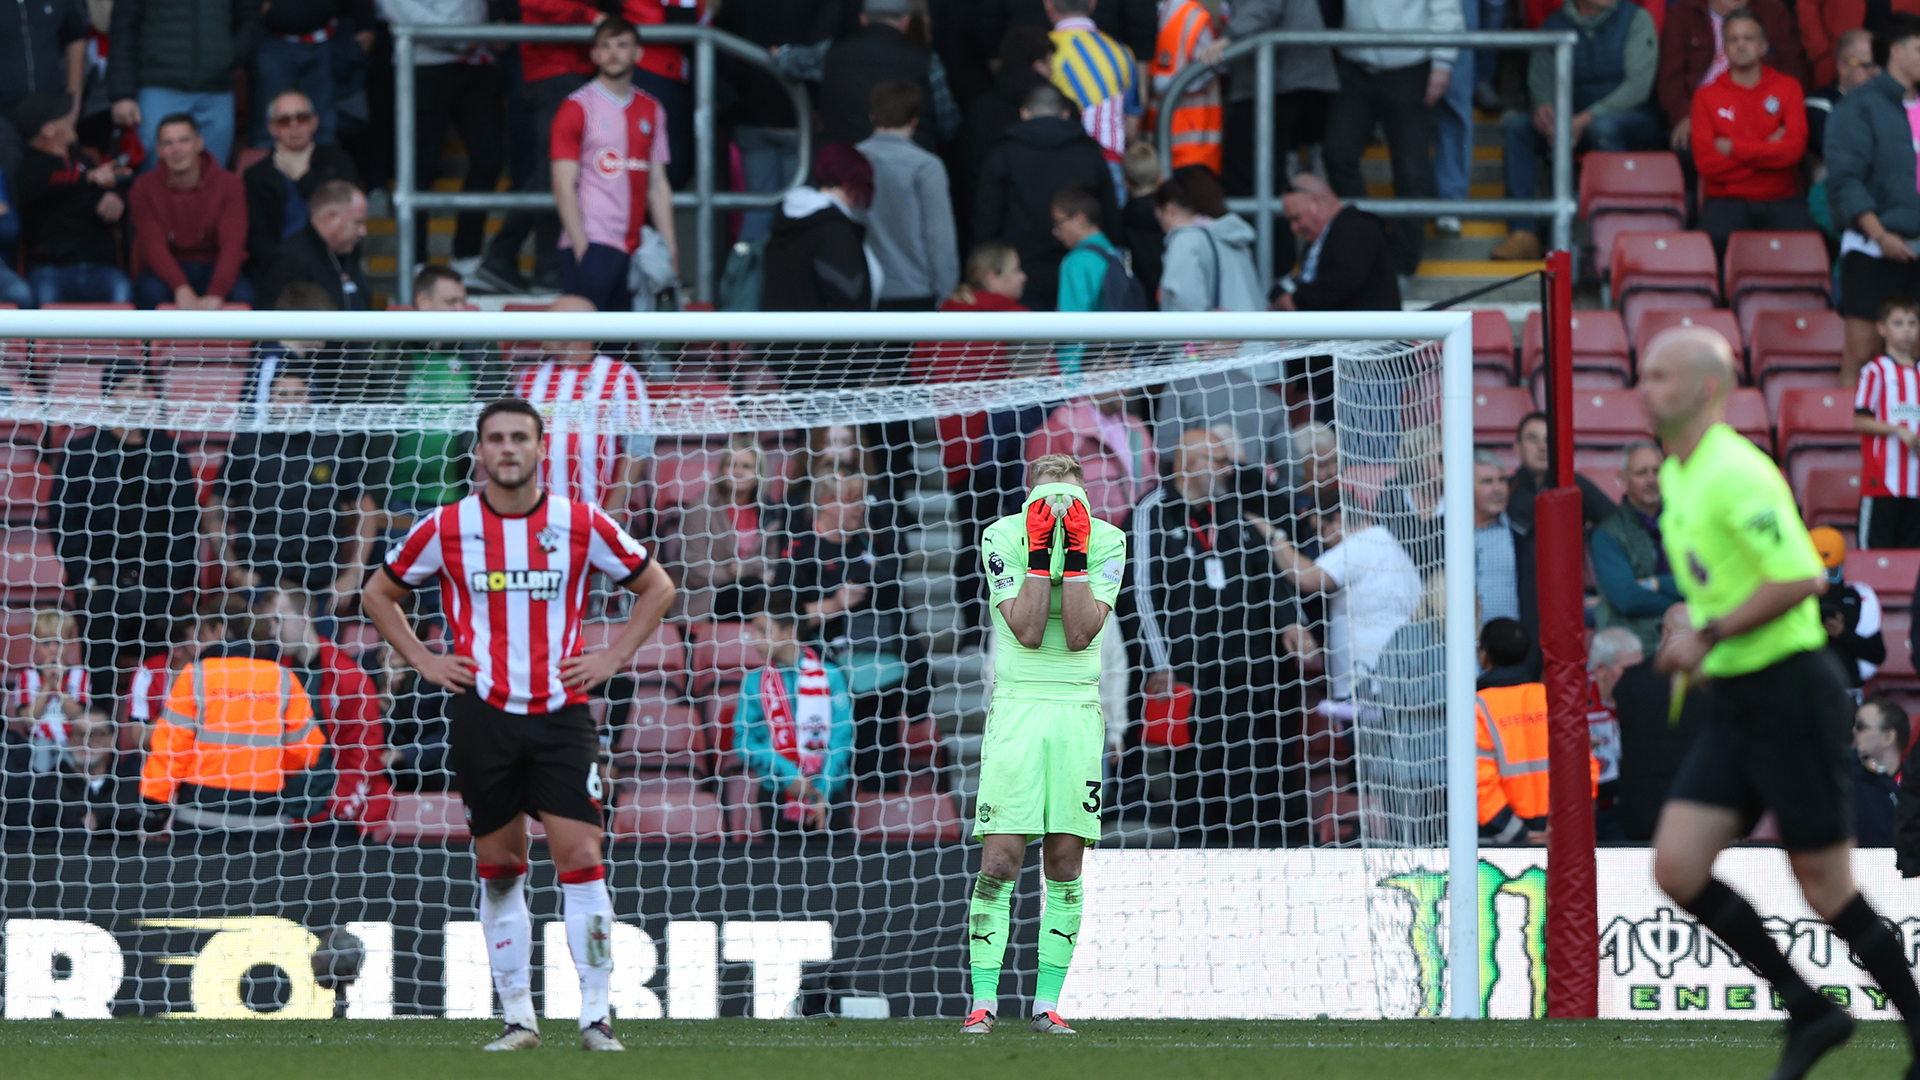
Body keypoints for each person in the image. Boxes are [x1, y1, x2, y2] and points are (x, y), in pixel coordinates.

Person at [1644, 325, 1920, 1080]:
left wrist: (1709, 635)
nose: (1645, 388)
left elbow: (1803, 578)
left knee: (1824, 885)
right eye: (1643, 375)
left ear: (1705, 388)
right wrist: (1704, 645)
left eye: (1661, 376)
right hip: (1739, 695)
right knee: (1677, 866)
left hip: (1794, 690)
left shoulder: (1738, 471)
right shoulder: (1676, 475)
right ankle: (1810, 1008)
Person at [363, 398, 676, 1052]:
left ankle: (595, 1018)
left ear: (540, 448)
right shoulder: (445, 525)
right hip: (483, 715)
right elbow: (377, 593)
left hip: (561, 714)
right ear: (479, 453)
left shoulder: (581, 522)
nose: (507, 449)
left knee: (583, 857)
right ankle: (519, 1021)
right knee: (500, 867)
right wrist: (421, 658)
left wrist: (615, 655)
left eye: (519, 438)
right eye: (495, 439)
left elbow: (659, 586)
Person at [963, 453, 1127, 1036]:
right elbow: (1029, 632)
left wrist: (1075, 554)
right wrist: (1039, 551)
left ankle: (1047, 1004)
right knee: (1001, 859)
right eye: (1048, 501)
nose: (1060, 511)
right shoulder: (1001, 536)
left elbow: (1081, 631)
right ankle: (983, 1004)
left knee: (1063, 862)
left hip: (1077, 712)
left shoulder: (1108, 540)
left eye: (1072, 502)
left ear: (1087, 501)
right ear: (1029, 500)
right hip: (1018, 709)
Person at [1128, 429, 1307, 843]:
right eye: (1219, 462)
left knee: (1257, 774)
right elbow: (1137, 594)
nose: (1229, 470)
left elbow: (1268, 574)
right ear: (1188, 466)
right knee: (1197, 779)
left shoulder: (1230, 509)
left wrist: (1290, 621)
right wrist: (1159, 662)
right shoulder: (1151, 511)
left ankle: (1261, 855)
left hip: (1249, 671)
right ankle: (1198, 860)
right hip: (1190, 673)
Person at [52, 363, 198, 700]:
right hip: (102, 579)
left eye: (142, 389)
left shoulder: (168, 451)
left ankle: (162, 725)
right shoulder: (81, 453)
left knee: (166, 657)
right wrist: (84, 574)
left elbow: (185, 520)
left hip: (159, 580)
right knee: (99, 651)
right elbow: (64, 520)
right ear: (109, 396)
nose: (138, 396)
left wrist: (174, 578)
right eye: (129, 388)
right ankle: (101, 725)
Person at [1490, 0, 1663, 262]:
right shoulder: (1554, 25)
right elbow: (1542, 80)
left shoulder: (1636, 19)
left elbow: (1638, 87)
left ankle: (1610, 235)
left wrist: (1588, 117)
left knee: (1603, 128)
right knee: (1518, 129)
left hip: (1628, 119)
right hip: (1570, 121)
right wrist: (1545, 110)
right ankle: (1523, 234)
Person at [210, 369, 378, 608]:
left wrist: (353, 575)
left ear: (309, 400)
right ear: (269, 401)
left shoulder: (331, 447)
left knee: (321, 646)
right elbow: (214, 510)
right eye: (282, 395)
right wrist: (233, 570)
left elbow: (367, 511)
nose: (290, 403)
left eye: (298, 394)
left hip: (320, 584)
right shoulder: (246, 447)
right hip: (259, 582)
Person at [139, 623, 325, 836]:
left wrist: (154, 807)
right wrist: (277, 771)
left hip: (199, 818)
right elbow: (306, 748)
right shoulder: (283, 678)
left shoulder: (196, 675)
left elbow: (170, 749)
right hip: (263, 816)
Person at [1322, 0, 1462, 274]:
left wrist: (1443, 64)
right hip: (1354, 65)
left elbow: (1446, 9)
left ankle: (1403, 265)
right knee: (1337, 152)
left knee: (1411, 170)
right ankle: (1368, 240)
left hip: (1410, 65)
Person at [552, 19, 676, 316]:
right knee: (583, 347)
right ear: (593, 54)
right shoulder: (576, 106)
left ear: (638, 53)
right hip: (593, 241)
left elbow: (658, 184)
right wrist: (582, 248)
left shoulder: (652, 108)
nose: (613, 53)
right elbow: (562, 185)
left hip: (635, 247)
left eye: (622, 45)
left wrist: (671, 249)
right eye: (605, 46)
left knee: (623, 350)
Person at [1827, 13, 1920, 387]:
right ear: (1896, 52)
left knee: (1914, 355)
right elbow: (1845, 181)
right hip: (1874, 248)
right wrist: (1881, 235)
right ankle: (1842, 443)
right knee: (1862, 351)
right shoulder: (1860, 106)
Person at [380, 0, 502, 282]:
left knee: (490, 157)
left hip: (476, 63)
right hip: (424, 65)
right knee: (420, 165)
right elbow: (401, 8)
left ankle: (467, 256)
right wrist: (463, 39)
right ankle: (416, 261)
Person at [255, 587, 392, 832]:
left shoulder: (348, 677)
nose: (273, 632)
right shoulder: (276, 677)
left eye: (279, 620)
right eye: (269, 624)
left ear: (304, 616)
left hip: (335, 817)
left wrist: (339, 808)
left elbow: (364, 751)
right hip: (287, 814)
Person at [1264, 494, 1422, 704]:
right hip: (1385, 676)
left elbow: (1306, 577)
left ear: (1337, 519)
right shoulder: (1384, 542)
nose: (1319, 539)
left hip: (1369, 683)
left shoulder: (1361, 545)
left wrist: (1274, 536)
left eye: (1320, 530)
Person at [973, 84, 1119, 310]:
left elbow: (986, 221)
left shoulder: (1003, 155)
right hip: (1083, 274)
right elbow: (1110, 217)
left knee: (1026, 345)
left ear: (1024, 114)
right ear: (1065, 115)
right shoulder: (1091, 155)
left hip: (1020, 277)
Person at [714, 0, 843, 245]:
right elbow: (825, 49)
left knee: (757, 212)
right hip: (800, 114)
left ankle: (747, 281)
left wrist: (740, 95)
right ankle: (790, 281)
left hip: (753, 113)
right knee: (798, 212)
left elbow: (723, 41)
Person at [1690, 10, 1816, 259]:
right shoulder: (1706, 96)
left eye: (1748, 38)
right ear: (1724, 48)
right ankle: (1724, 300)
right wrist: (1767, 151)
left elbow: (1793, 152)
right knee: (1710, 245)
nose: (1740, 45)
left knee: (1808, 247)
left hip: (1782, 198)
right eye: (1733, 40)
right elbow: (1707, 164)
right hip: (1726, 200)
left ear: (1763, 46)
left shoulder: (1788, 87)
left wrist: (1736, 149)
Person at [513, 295, 651, 513]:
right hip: (534, 512)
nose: (540, 328)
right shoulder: (529, 379)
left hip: (597, 512)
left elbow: (638, 446)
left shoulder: (620, 376)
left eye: (550, 321)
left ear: (575, 328)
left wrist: (614, 509)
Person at [733, 589, 856, 834]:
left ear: (789, 633)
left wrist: (822, 789)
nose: (756, 639)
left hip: (830, 795)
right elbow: (743, 740)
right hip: (777, 794)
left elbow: (842, 737)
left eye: (763, 631)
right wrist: (788, 775)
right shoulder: (754, 683)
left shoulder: (830, 675)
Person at [12, 93, 130, 307]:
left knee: (122, 290)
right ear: (48, 130)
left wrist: (114, 199)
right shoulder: (27, 167)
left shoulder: (81, 159)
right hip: (51, 270)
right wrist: (90, 178)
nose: (71, 118)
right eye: (64, 115)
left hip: (100, 267)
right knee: (45, 305)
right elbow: (47, 182)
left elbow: (100, 191)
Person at [106, 0, 255, 165]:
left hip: (217, 89)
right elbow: (123, 27)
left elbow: (249, 16)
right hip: (159, 86)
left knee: (214, 176)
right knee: (154, 174)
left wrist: (230, 57)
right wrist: (122, 94)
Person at [128, 114, 252, 310]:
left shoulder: (230, 184)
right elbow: (153, 247)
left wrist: (217, 292)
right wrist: (181, 288)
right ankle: (150, 343)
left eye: (184, 140)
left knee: (244, 294)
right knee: (149, 291)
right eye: (168, 143)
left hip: (215, 266)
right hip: (167, 270)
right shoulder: (143, 188)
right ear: (159, 151)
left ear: (199, 144)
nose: (176, 149)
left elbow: (233, 246)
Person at [858, 81, 959, 313]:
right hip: (915, 290)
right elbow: (939, 238)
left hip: (864, 289)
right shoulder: (926, 166)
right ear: (914, 120)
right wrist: (947, 296)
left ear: (873, 116)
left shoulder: (851, 160)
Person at [1657, 0, 1807, 156]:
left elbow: (1792, 71)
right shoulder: (1683, 12)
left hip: (1761, 109)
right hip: (1701, 111)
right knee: (1688, 146)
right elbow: (1670, 80)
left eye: (1747, 38)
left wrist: (1781, 120)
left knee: (1784, 148)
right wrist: (1686, 115)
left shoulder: (1772, 9)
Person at [1614, 603, 1712, 841]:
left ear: (1665, 632)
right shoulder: (1719, 682)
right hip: (1701, 811)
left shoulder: (1631, 681)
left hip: (1641, 811)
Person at [242, 90, 360, 273]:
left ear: (314, 122)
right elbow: (255, 238)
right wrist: (286, 264)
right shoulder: (256, 175)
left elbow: (344, 214)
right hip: (279, 269)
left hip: (334, 264)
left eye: (302, 118)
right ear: (272, 128)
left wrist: (302, 177)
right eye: (284, 121)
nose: (294, 126)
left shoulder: (338, 161)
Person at [818, 0, 954, 153]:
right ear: (906, 22)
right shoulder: (927, 61)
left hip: (846, 164)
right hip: (910, 162)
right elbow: (948, 123)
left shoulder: (831, 54)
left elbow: (789, 61)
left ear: (862, 19)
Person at [762, 144, 880, 314]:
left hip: (783, 337)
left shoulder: (788, 221)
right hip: (828, 338)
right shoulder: (834, 231)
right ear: (854, 183)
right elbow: (848, 299)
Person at [1592, 440, 1683, 655]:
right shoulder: (1607, 534)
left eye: (1657, 471)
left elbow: (1704, 580)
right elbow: (1627, 599)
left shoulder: (1686, 523)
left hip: (1684, 643)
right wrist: (1682, 604)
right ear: (1622, 479)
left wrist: (1657, 583)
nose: (1652, 480)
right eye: (1642, 473)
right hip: (1631, 650)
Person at [2, 609, 90, 830]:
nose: (53, 648)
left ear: (70, 643)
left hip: (70, 742)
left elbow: (79, 715)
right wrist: (47, 685)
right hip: (39, 745)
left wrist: (59, 686)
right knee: (38, 759)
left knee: (77, 759)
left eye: (59, 642)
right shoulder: (28, 676)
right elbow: (29, 719)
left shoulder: (79, 675)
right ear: (36, 644)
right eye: (47, 643)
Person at [1027, 383, 1159, 527]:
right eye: (1117, 378)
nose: (1126, 387)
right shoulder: (1054, 434)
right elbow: (1042, 513)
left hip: (1144, 539)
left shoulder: (1137, 427)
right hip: (1090, 544)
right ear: (1092, 375)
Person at [1046, 0, 1139, 202]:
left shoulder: (1045, 53)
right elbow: (1131, 125)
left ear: (1048, 5)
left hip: (1060, 165)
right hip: (1111, 165)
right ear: (1092, 4)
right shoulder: (1122, 52)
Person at [678, 438, 780, 620]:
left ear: (758, 473)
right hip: (709, 598)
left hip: (754, 591)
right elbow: (695, 569)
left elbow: (773, 561)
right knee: (755, 589)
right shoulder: (702, 506)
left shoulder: (769, 512)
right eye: (732, 465)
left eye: (746, 467)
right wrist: (732, 573)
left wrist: (744, 569)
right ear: (722, 470)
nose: (738, 472)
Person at [1275, 175, 1400, 312]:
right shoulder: (1322, 238)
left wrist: (1295, 301)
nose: (1294, 228)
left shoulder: (1356, 229)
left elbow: (1342, 282)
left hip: (1364, 329)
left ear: (1317, 201)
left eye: (1296, 218)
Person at [1476, 617, 1549, 845]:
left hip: (1501, 843)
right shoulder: (1552, 698)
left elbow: (1479, 783)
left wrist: (1518, 836)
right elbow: (1586, 767)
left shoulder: (1478, 706)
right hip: (1558, 835)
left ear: (1484, 655)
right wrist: (1567, 824)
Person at [1854, 296, 1920, 547]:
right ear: (1882, 328)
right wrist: (1897, 431)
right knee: (1875, 554)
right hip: (1882, 481)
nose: (1906, 330)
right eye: (1899, 323)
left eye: (1912, 323)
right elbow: (1859, 420)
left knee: (1912, 561)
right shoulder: (1875, 371)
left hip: (1916, 484)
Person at [1154, 166, 1261, 313]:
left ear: (1170, 210)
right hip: (1249, 333)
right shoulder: (1233, 236)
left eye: (1159, 217)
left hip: (1214, 334)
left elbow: (1185, 304)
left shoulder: (1185, 240)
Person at [965, 26, 1054, 197]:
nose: (1053, 71)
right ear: (1038, 65)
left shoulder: (979, 108)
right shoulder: (1060, 108)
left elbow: (969, 169)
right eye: (1050, 63)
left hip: (992, 205)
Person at [256, 179, 369, 313]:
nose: (363, 231)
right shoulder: (290, 260)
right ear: (331, 217)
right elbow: (276, 320)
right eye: (358, 222)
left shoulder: (348, 254)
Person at [0, 0, 83, 179]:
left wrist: (74, 99)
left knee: (61, 184)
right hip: (4, 117)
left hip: (52, 112)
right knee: (12, 182)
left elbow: (76, 37)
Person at [1472, 451, 1539, 649]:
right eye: (1487, 482)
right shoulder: (1441, 535)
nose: (1498, 489)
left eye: (1502, 480)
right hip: (1452, 653)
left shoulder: (1524, 535)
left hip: (1511, 654)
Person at [1810, 526, 1886, 700]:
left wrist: (1843, 634)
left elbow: (1877, 654)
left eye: (1830, 572)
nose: (1824, 579)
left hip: (1846, 689)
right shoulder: (1792, 597)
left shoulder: (1860, 596)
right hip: (1803, 691)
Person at [1506, 411, 1617, 530]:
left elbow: (1617, 522)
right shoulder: (1506, 489)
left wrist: (1593, 538)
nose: (1542, 447)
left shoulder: (1575, 485)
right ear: (1518, 448)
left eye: (1548, 440)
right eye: (1533, 439)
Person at [1149, 0, 1223, 174]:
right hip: (1161, 145)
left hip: (1194, 148)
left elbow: (1203, 73)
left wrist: (1160, 81)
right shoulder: (1157, 11)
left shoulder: (1193, 16)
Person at [1052, 182, 1143, 319]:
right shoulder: (1113, 252)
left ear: (1080, 219)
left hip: (1093, 340)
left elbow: (1071, 325)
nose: (1055, 231)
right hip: (1120, 338)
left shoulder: (1076, 262)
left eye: (1058, 222)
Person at [1586, 626, 1642, 841]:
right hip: (1587, 808)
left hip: (1628, 806)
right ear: (1601, 669)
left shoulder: (1645, 697)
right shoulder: (1575, 699)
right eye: (1627, 669)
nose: (1637, 677)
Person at [1805, 29, 1876, 167]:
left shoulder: (1895, 102)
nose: (1876, 72)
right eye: (1867, 65)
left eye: (1880, 65)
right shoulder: (1819, 105)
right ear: (1843, 66)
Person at [1852, 695, 1908, 847]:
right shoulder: (1849, 781)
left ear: (1888, 737)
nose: (1853, 732)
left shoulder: (1913, 783)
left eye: (1861, 727)